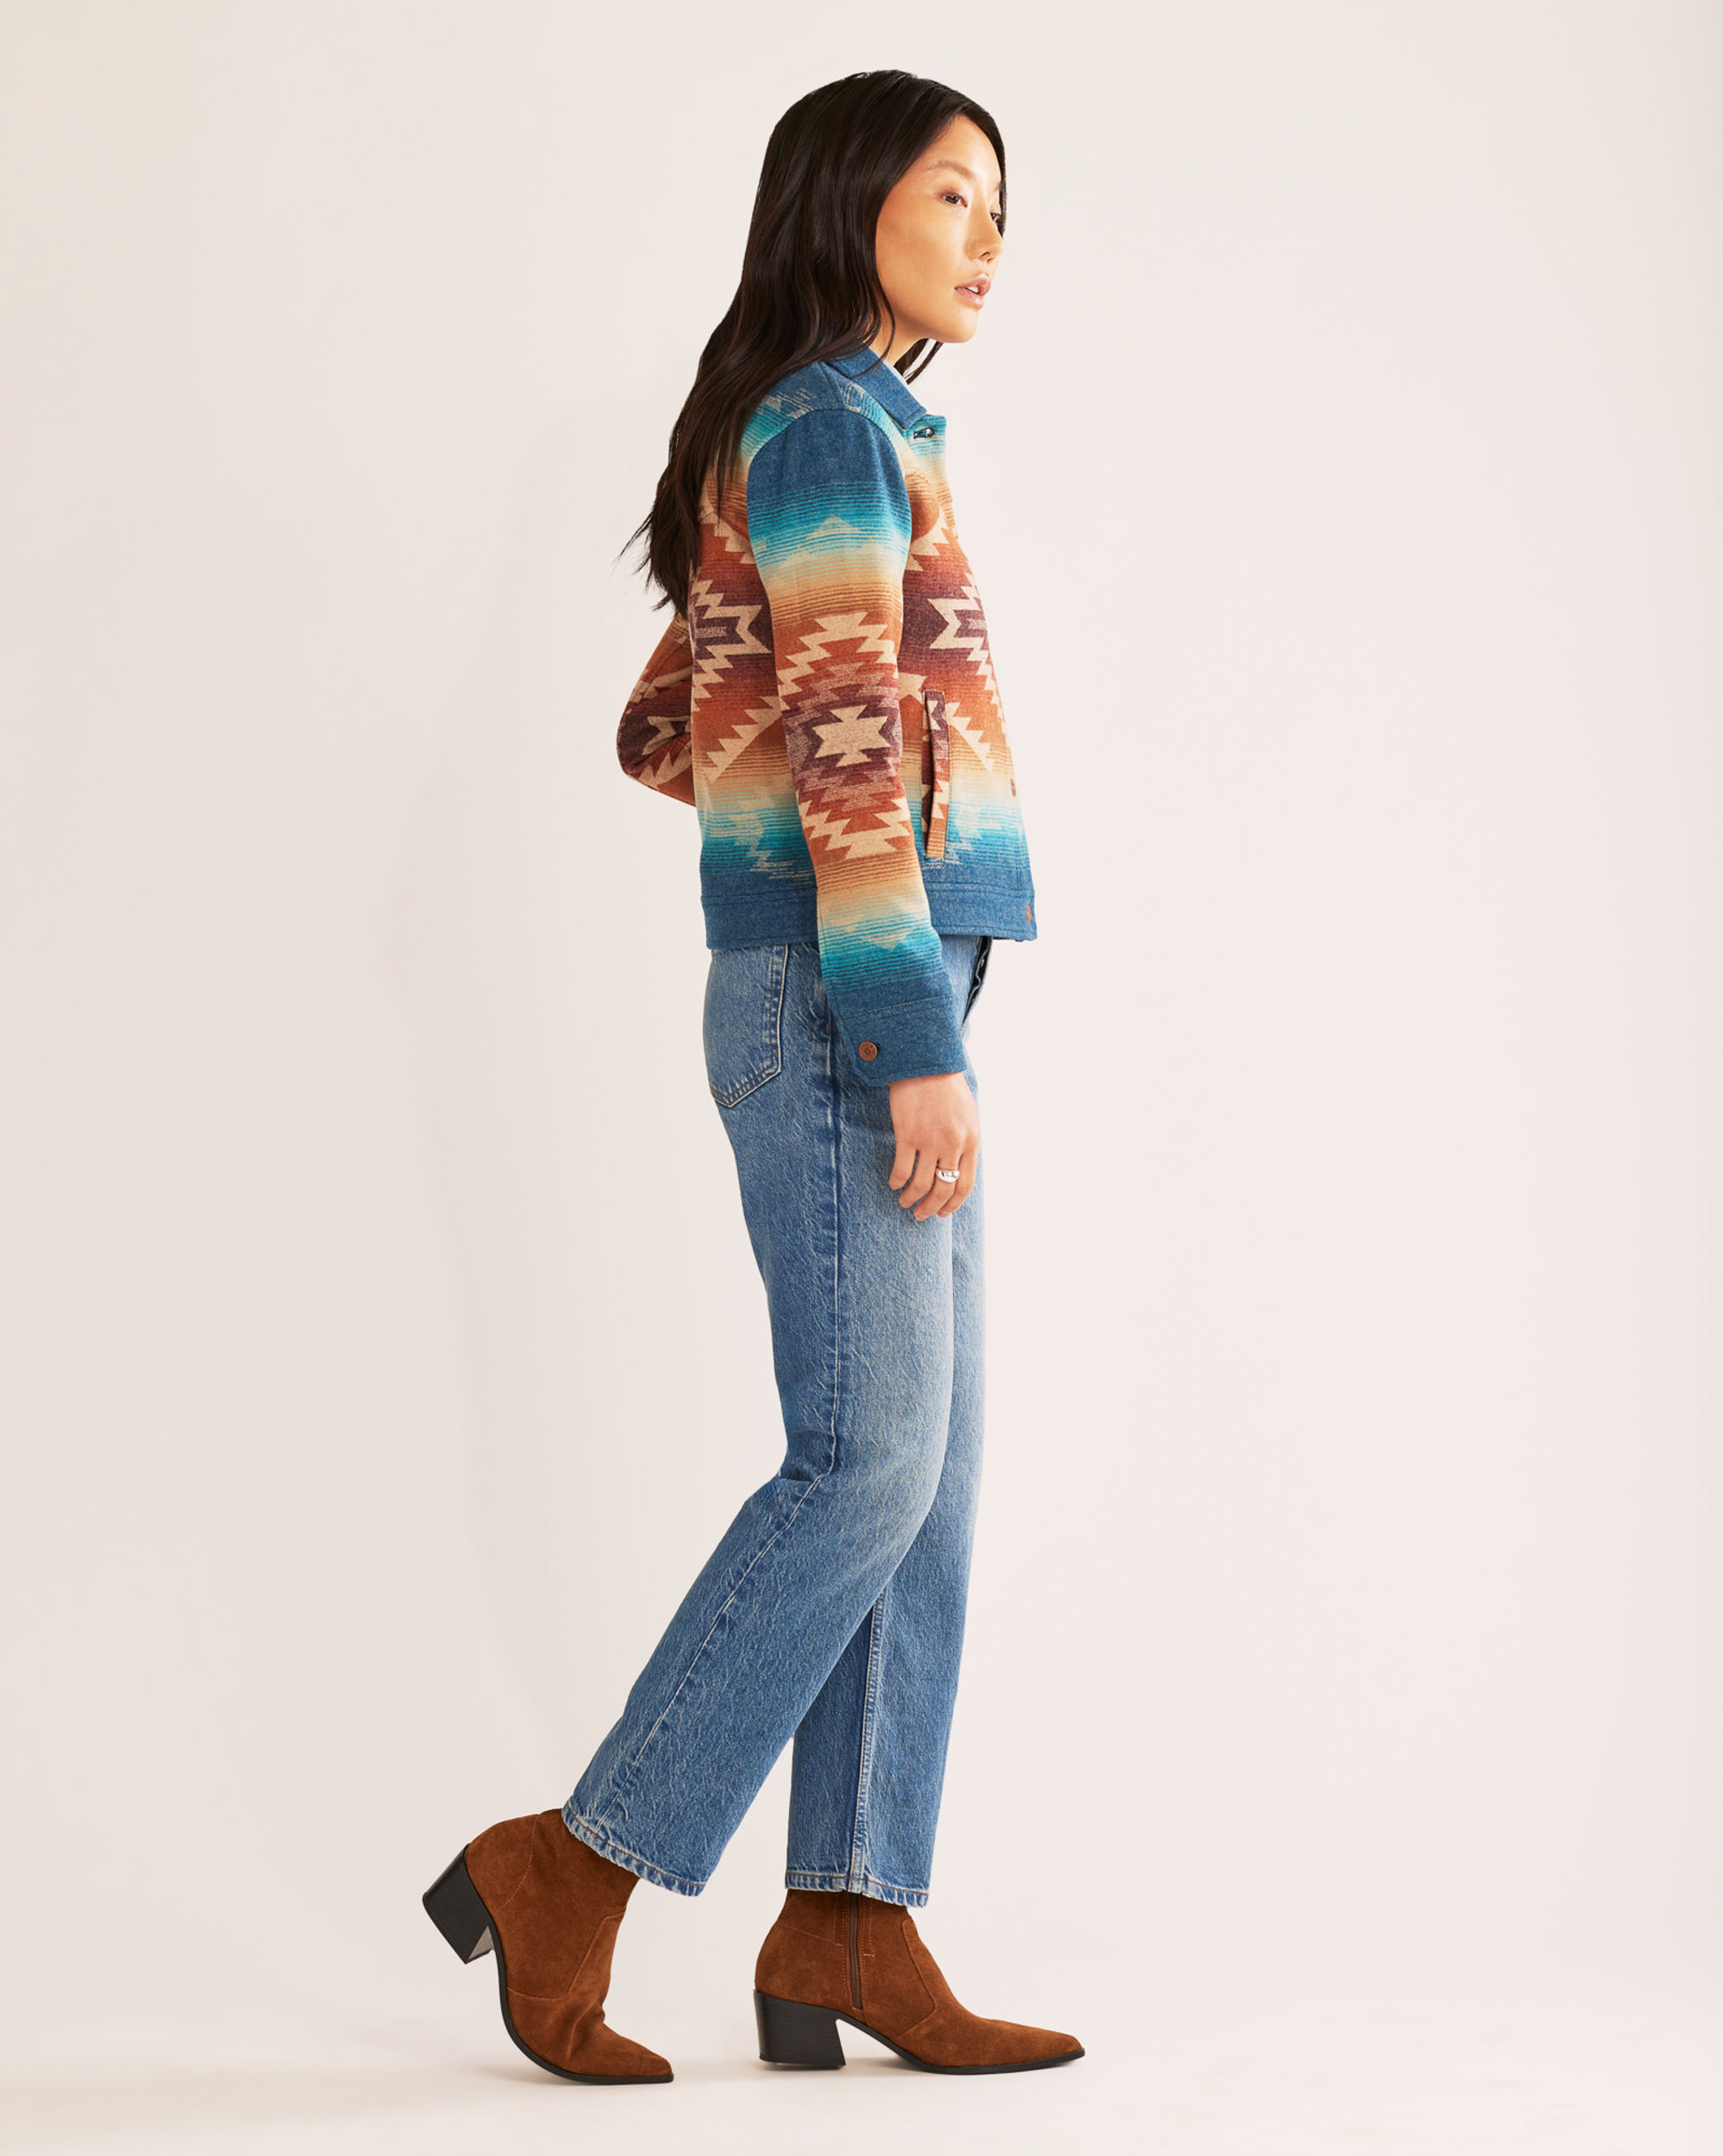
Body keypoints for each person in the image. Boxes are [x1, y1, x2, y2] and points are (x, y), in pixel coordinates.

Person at [423, 68, 1082, 2085]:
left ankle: (853, 1915)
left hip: (869, 978)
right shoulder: (818, 427)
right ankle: (573, 1859)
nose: (991, 235)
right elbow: (848, 751)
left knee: (925, 1480)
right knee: (866, 1462)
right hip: (852, 999)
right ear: (848, 197)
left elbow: (677, 724)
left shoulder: (837, 435)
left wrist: (772, 739)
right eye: (955, 194)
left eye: (1002, 203)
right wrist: (907, 1031)